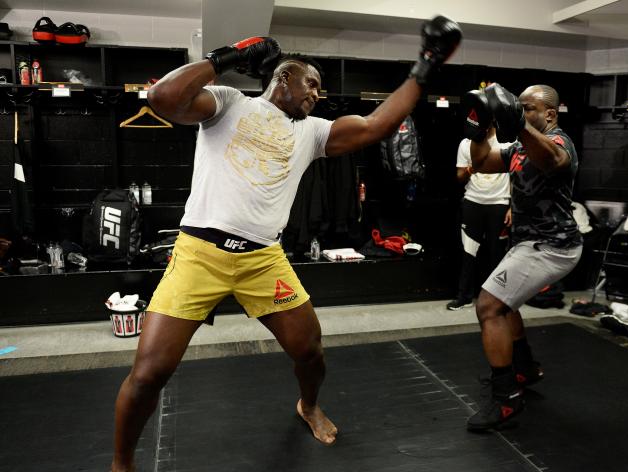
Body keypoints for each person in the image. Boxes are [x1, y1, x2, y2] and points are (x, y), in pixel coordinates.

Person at [111, 16, 462, 471]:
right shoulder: (227, 101)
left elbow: (376, 124)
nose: (317, 94)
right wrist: (228, 57)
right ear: (283, 76)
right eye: (311, 84)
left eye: (320, 90)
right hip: (199, 254)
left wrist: (426, 66)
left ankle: (308, 405)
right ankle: (121, 463)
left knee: (310, 351)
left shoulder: (312, 131)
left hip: (263, 259)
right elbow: (161, 98)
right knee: (149, 374)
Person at [464, 83, 583, 431]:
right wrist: (479, 129)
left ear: (550, 114)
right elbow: (482, 163)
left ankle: (506, 399)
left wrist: (517, 122)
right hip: (526, 243)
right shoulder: (518, 145)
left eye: (528, 108)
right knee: (506, 302)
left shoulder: (560, 143)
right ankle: (525, 368)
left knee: (488, 306)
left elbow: (552, 160)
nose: (521, 112)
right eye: (519, 107)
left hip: (553, 246)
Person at [447, 126, 512, 310]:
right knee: (468, 252)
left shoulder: (508, 143)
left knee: (497, 254)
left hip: (500, 203)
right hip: (472, 202)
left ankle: (497, 300)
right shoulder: (466, 144)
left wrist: (512, 208)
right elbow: (460, 176)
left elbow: (516, 176)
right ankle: (464, 297)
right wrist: (473, 167)